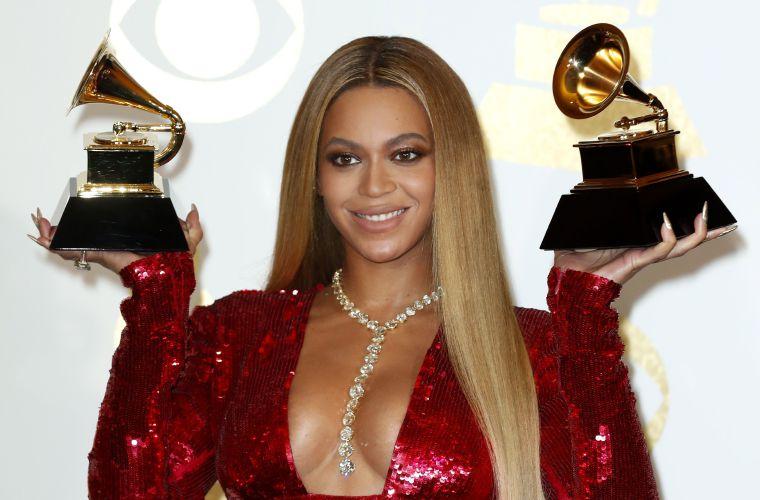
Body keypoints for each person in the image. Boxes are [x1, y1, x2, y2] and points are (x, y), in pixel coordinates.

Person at [29, 36, 735, 499]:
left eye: (406, 154)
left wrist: (585, 306)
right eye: (345, 159)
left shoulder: (531, 351)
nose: (373, 186)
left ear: (452, 167)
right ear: (314, 176)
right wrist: (154, 294)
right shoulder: (239, 334)